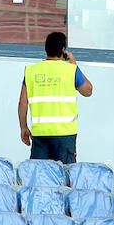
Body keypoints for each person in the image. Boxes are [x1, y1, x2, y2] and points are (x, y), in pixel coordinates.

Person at [18, 31, 94, 163]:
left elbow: (22, 103)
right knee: (64, 177)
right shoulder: (71, 70)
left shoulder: (31, 71)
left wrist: (23, 127)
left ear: (46, 49)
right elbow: (88, 91)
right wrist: (75, 65)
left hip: (40, 134)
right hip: (65, 135)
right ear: (63, 50)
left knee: (40, 177)